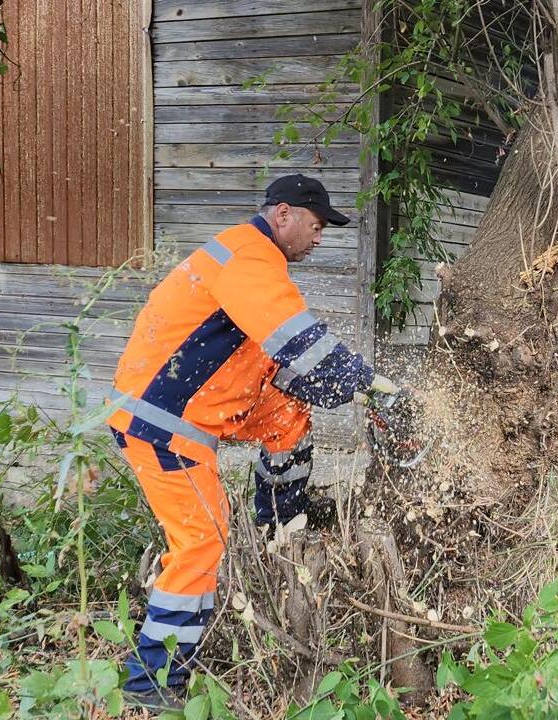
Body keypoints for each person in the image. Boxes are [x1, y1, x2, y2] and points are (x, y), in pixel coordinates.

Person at [105, 174, 398, 710]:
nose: (318, 238)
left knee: (289, 417)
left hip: (199, 407)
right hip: (162, 424)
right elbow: (300, 341)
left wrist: (353, 393)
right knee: (202, 541)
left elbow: (283, 364)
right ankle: (151, 681)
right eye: (315, 226)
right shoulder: (248, 255)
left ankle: (279, 527)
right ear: (282, 214)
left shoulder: (256, 267)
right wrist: (374, 384)